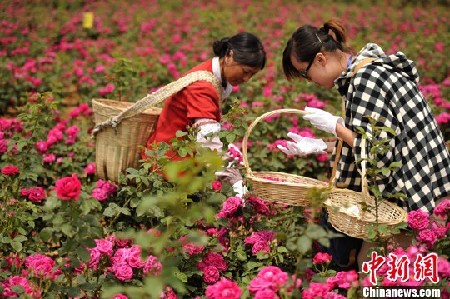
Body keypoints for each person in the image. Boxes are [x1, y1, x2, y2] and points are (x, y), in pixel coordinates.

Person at [279, 19, 450, 270]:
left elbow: (376, 154)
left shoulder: (364, 81)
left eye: (305, 73)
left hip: (412, 194)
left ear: (320, 59)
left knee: (381, 270)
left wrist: (335, 125)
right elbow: (377, 137)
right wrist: (319, 145)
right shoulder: (368, 69)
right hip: (426, 184)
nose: (309, 81)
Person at [144, 32, 266, 196]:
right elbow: (207, 139)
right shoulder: (203, 86)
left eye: (252, 74)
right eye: (245, 71)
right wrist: (235, 181)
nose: (247, 79)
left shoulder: (214, 75)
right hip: (170, 163)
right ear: (230, 55)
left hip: (183, 158)